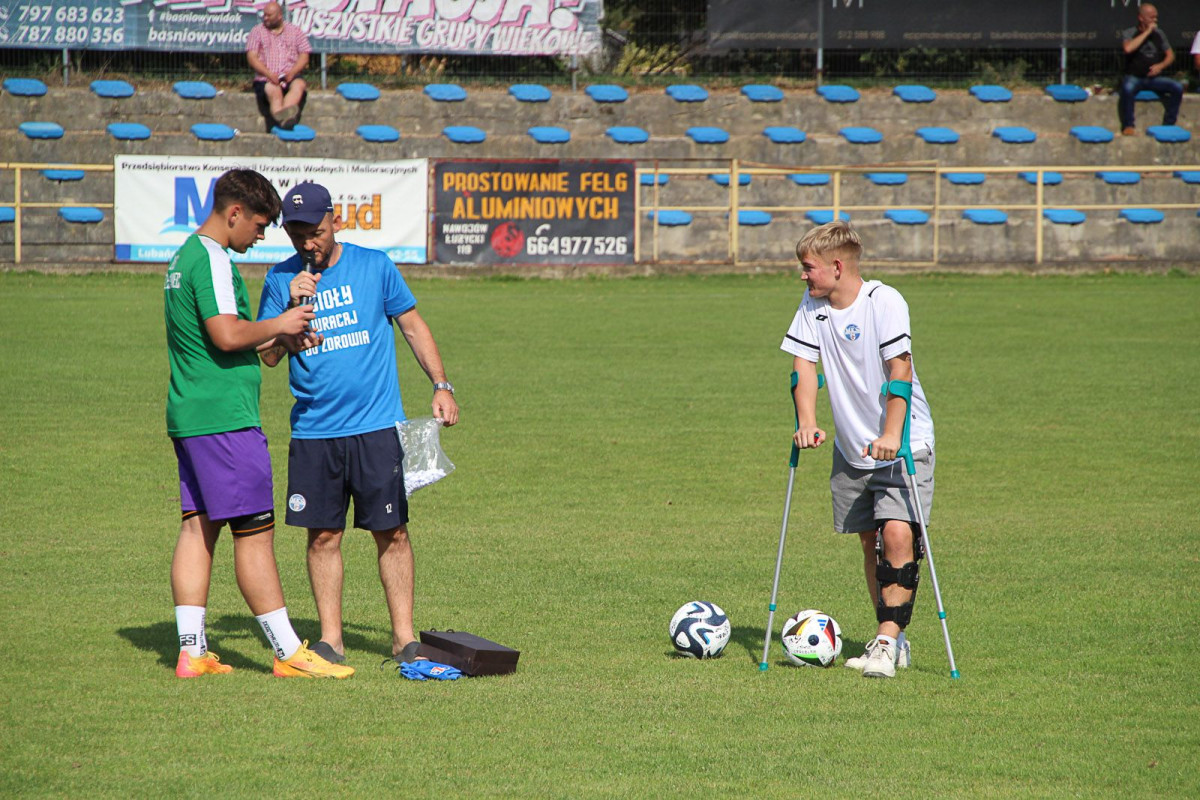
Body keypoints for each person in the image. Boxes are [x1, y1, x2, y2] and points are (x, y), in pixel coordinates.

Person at [257, 182, 460, 667]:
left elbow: (411, 325)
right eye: (298, 235)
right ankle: (331, 639)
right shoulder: (279, 280)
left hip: (376, 427)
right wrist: (289, 310)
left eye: (316, 232)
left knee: (393, 532)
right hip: (315, 431)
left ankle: (404, 638)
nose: (309, 243)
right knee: (323, 536)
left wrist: (441, 384)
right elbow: (267, 355)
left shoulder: (375, 266)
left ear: (335, 221)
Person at [164, 169, 354, 679]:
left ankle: (191, 651)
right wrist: (283, 322)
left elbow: (221, 339)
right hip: (225, 419)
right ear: (234, 213)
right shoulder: (213, 259)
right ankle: (289, 652)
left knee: (197, 528)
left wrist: (278, 339)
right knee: (254, 533)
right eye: (260, 225)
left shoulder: (183, 256)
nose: (262, 236)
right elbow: (227, 335)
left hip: (190, 412)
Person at [779, 221, 935, 679]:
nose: (803, 275)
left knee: (898, 535)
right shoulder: (812, 306)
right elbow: (803, 368)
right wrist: (807, 422)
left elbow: (900, 371)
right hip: (851, 449)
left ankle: (886, 641)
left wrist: (891, 435)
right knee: (871, 543)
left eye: (808, 267)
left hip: (904, 443)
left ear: (836, 266)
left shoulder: (884, 301)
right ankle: (892, 638)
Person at [1118, 3, 1182, 135]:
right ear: (1141, 18)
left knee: (1177, 87)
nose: (1155, 20)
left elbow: (1170, 55)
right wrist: (1147, 32)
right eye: (1151, 17)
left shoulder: (1159, 34)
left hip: (1153, 79)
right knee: (1127, 88)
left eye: (1156, 17)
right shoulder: (1129, 33)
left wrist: (1161, 65)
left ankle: (1169, 124)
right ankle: (1128, 125)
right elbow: (1128, 48)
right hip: (1134, 77)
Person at [246, 1, 310, 131]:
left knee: (299, 85)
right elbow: (252, 57)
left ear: (279, 15)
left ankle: (284, 115)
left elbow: (304, 55)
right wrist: (269, 74)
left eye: (269, 15)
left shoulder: (295, 31)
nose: (265, 18)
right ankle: (284, 120)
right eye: (264, 15)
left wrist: (292, 73)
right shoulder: (257, 31)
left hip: (290, 75)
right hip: (266, 77)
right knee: (274, 91)